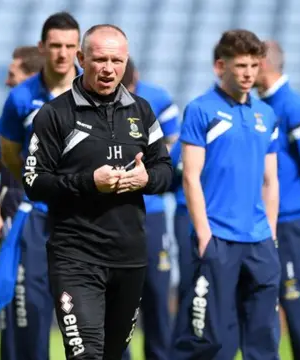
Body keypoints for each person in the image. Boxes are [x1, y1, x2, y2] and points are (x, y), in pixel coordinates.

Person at [23, 24, 173, 359]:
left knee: (112, 355)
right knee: (85, 354)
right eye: (100, 59)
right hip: (75, 257)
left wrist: (144, 179)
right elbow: (34, 183)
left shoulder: (142, 111)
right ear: (80, 58)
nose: (108, 68)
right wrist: (89, 182)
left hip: (129, 257)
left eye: (116, 60)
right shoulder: (54, 114)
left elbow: (166, 172)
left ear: (126, 61)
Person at [171, 30, 281, 360]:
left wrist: (271, 234)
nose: (249, 73)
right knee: (209, 339)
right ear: (221, 66)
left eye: (254, 65)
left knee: (263, 339)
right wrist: (204, 235)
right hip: (217, 237)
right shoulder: (200, 110)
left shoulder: (267, 114)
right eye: (241, 65)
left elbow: (270, 180)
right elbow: (190, 176)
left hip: (260, 240)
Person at [0, 12, 81, 360]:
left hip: (83, 220)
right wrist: (38, 183)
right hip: (37, 218)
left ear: (79, 49)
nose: (63, 53)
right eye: (56, 45)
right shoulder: (20, 98)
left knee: (86, 316)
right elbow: (8, 153)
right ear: (42, 47)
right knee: (31, 309)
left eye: (70, 46)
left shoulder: (96, 92)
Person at [255, 40, 300, 360]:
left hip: (288, 218)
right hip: (264, 220)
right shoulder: (261, 106)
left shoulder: (295, 107)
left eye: (250, 64)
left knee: (296, 298)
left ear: (263, 65)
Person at [0, 45, 43, 360]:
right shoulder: (11, 118)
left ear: (31, 77)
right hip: (13, 220)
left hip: (42, 220)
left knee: (32, 308)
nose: (7, 82)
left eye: (12, 75)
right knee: (15, 307)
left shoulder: (57, 115)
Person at [120, 57, 179, 360]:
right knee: (118, 301)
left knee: (156, 297)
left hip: (152, 212)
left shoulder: (158, 98)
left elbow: (176, 146)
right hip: (112, 215)